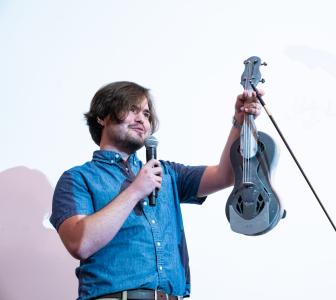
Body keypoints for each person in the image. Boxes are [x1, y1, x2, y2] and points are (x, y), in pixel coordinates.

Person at [50, 81, 261, 300]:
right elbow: (80, 244)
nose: (141, 119)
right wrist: (135, 191)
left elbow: (226, 175)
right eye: (132, 109)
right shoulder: (78, 178)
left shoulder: (167, 173)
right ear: (102, 116)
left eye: (146, 113)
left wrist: (240, 121)